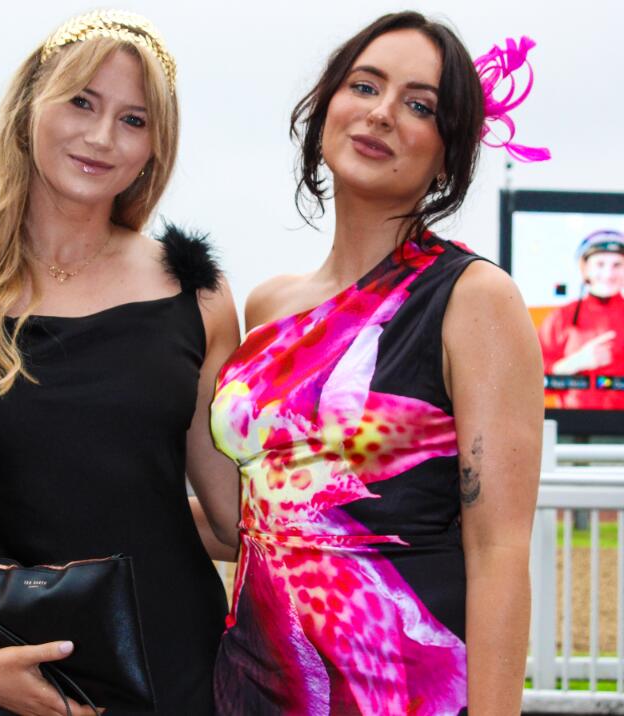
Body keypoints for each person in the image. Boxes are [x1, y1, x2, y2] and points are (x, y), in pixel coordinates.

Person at [0, 10, 240, 715]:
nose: (102, 137)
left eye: (134, 120)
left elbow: (230, 523)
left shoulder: (200, 296)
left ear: (157, 146)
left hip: (177, 667)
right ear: (28, 106)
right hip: (3, 668)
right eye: (81, 102)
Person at [210, 12, 544, 715]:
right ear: (327, 104)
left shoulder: (473, 299)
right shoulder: (269, 306)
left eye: (419, 104)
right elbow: (255, 517)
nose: (383, 113)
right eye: (365, 85)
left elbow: (500, 552)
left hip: (402, 686)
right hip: (255, 680)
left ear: (448, 153)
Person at [539, 229, 624, 409]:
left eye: (617, 265)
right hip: (572, 430)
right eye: (600, 264)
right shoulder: (561, 317)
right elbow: (530, 380)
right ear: (585, 268)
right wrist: (576, 362)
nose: (608, 274)